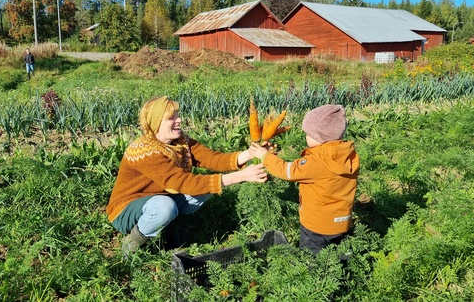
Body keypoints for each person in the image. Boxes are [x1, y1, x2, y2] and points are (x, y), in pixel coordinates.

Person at [107, 96, 268, 257]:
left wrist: (249, 154)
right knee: (165, 206)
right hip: (127, 209)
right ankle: (132, 242)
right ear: (156, 123)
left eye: (177, 115)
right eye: (172, 117)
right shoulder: (144, 151)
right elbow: (182, 182)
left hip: (160, 199)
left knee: (203, 189)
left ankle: (169, 226)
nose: (179, 120)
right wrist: (240, 176)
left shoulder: (180, 142)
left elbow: (212, 159)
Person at [249, 104, 360, 255]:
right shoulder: (350, 156)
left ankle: (314, 276)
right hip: (342, 222)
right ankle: (344, 273)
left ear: (320, 137)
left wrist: (265, 156)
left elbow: (287, 171)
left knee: (312, 258)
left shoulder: (316, 162)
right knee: (339, 255)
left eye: (308, 134)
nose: (306, 137)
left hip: (316, 226)